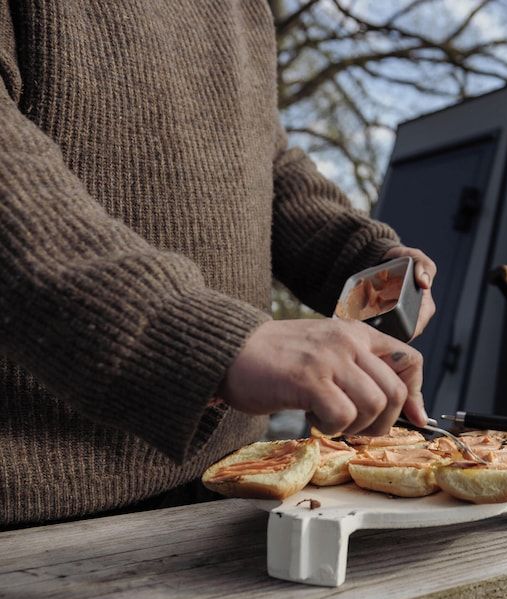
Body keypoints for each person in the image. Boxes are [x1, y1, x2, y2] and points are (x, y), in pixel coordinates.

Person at [0, 1, 436, 527]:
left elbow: (265, 163)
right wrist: (196, 335)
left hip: (235, 482)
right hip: (34, 514)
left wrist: (359, 258)